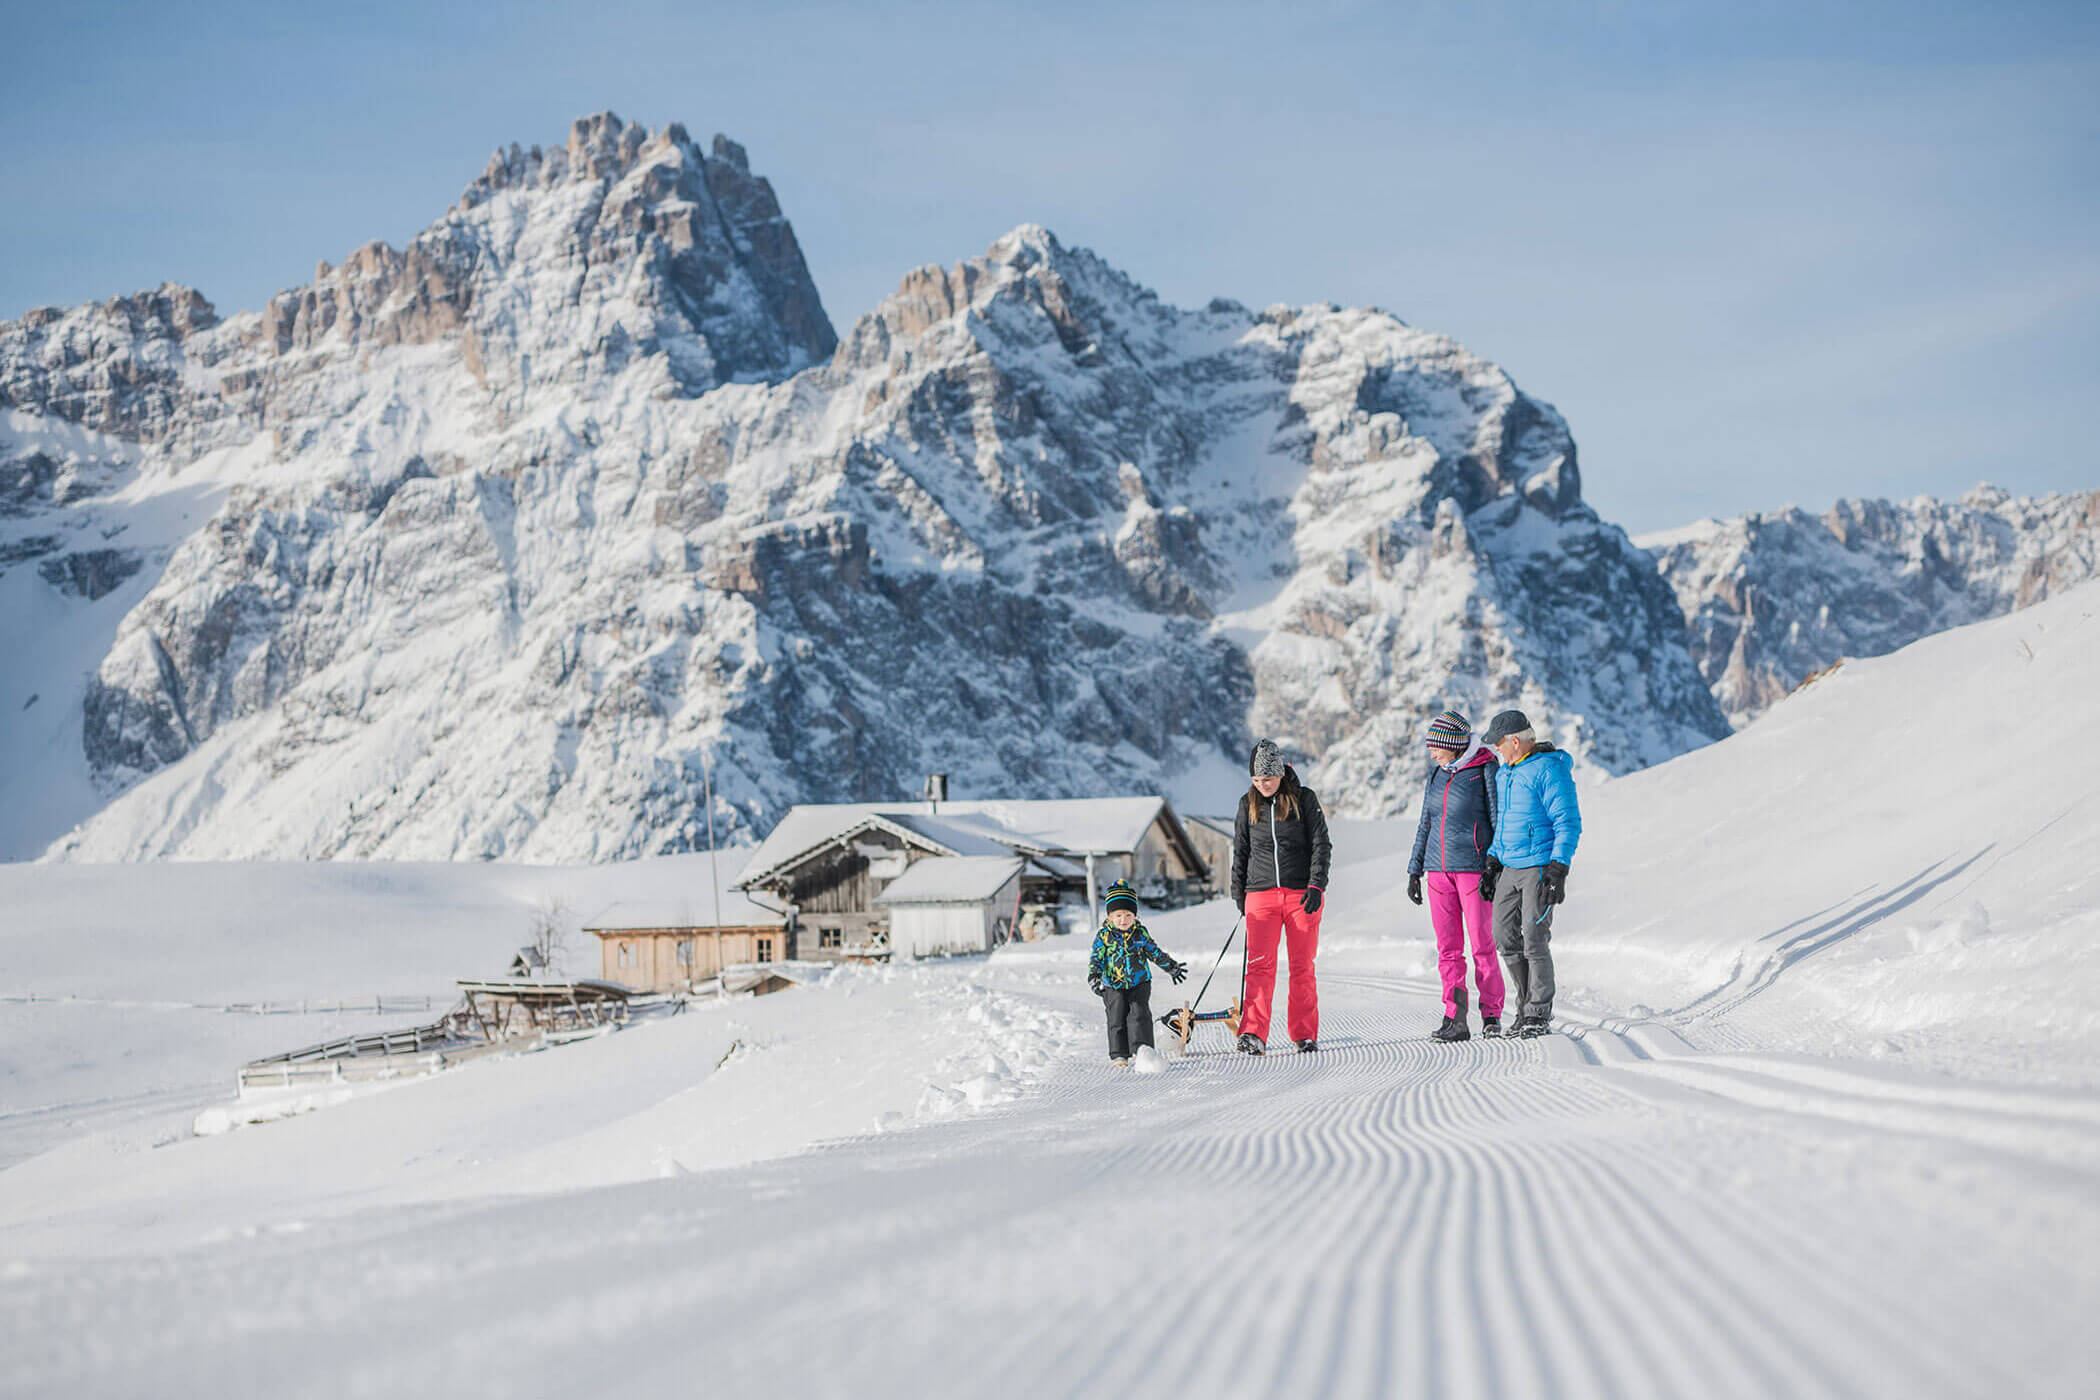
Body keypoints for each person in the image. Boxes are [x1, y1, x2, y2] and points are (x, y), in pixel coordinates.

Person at [1478, 709, 1581, 1038]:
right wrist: (1493, 860)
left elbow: (1567, 822)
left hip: (1539, 865)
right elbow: (1506, 823)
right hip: (1509, 866)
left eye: (1499, 744)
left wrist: (1558, 869)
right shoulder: (1505, 773)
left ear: (1515, 741)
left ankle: (1538, 1011)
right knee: (1504, 937)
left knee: (1534, 939)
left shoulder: (1549, 770)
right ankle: (1524, 1007)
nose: (1496, 750)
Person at [1407, 709, 1506, 1042]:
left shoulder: (1484, 770)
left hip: (1474, 871)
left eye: (1435, 746)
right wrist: (1414, 869)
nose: (1431, 752)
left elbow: (1499, 820)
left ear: (1452, 744)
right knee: (1448, 949)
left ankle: (1491, 1015)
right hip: (1438, 872)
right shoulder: (1437, 774)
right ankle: (1455, 1018)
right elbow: (1426, 823)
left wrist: (1495, 864)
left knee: (1482, 945)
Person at [1229, 738, 1332, 1054]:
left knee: (1302, 967)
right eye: (1257, 780)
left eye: (1268, 779)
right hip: (1259, 895)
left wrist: (1316, 885)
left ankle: (1304, 1034)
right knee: (1259, 966)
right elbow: (1241, 850)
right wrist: (1238, 892)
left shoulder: (1303, 798)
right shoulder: (1247, 804)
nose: (1263, 785)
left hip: (1301, 895)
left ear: (1281, 774)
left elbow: (1321, 845)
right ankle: (1253, 1034)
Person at [1087, 879, 1187, 1066]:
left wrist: (1170, 966)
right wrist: (1094, 977)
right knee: (1116, 1017)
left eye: (1127, 915)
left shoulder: (1140, 933)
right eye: (1118, 915)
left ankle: (1143, 1051)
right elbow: (1096, 958)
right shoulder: (1104, 936)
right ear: (1109, 917)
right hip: (1112, 984)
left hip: (1139, 982)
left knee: (1139, 1015)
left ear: (1134, 915)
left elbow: (1154, 952)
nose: (1123, 920)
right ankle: (1119, 1054)